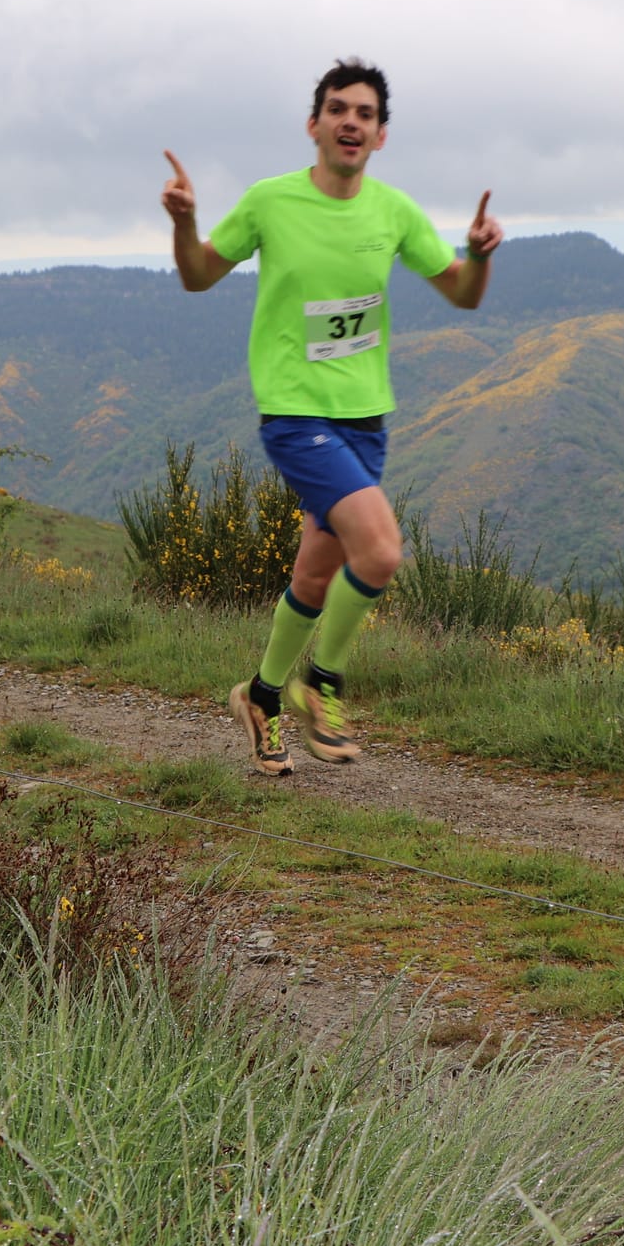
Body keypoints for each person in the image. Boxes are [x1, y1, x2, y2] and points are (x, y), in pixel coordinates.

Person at [161, 57, 503, 775]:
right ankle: (322, 680)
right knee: (380, 551)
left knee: (315, 579)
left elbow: (464, 295)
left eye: (367, 114)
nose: (352, 121)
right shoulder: (269, 202)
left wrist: (479, 253)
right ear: (314, 125)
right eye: (339, 109)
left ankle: (259, 697)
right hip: (295, 416)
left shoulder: (394, 212)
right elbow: (196, 276)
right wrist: (186, 222)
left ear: (380, 137)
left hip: (367, 420)